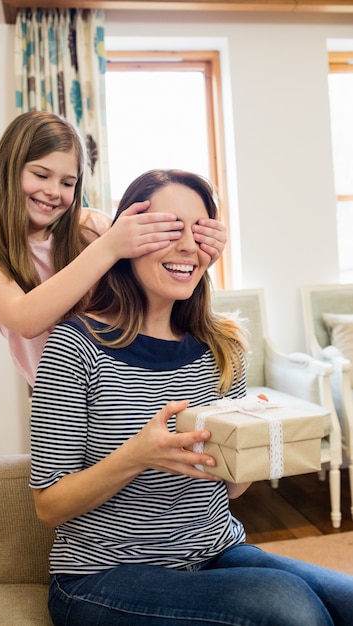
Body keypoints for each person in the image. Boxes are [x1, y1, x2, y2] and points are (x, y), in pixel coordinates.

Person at [29, 168, 353, 626]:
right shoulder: (74, 346)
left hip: (215, 550)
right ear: (128, 238)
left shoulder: (224, 345)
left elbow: (233, 489)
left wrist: (257, 444)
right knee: (288, 608)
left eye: (200, 231)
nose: (187, 247)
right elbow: (48, 506)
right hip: (101, 576)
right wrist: (138, 455)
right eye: (169, 229)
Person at [0, 111, 226, 387]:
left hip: (116, 382)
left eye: (67, 183)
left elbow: (145, 283)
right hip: (56, 391)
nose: (53, 191)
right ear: (8, 170)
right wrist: (108, 247)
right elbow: (24, 319)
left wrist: (199, 257)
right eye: (41, 175)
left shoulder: (93, 226)